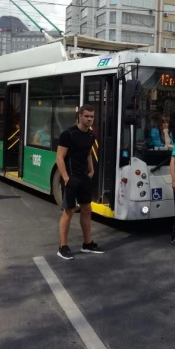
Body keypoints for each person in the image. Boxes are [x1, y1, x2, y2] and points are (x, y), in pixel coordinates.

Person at [55, 104, 104, 260]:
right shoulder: (68, 134)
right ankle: (62, 247)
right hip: (71, 177)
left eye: (92, 116)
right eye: (87, 116)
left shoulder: (91, 135)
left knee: (87, 209)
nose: (90, 119)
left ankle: (87, 244)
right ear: (80, 116)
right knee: (69, 211)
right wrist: (66, 177)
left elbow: (88, 152)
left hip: (84, 177)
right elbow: (59, 157)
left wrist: (91, 170)